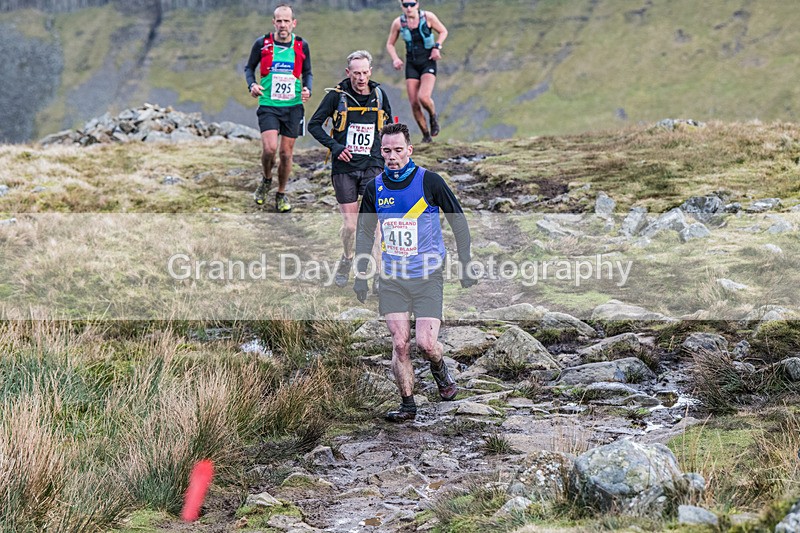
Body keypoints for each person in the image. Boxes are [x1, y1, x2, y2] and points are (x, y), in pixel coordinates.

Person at [352, 122, 477, 422]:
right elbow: (364, 233)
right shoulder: (375, 188)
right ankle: (408, 406)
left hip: (427, 276)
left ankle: (440, 369)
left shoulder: (429, 182)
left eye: (398, 150)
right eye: (386, 151)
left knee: (426, 344)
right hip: (392, 278)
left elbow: (458, 221)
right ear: (379, 151)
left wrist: (465, 262)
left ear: (409, 149)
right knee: (399, 343)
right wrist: (360, 275)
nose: (392, 156)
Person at [308, 50, 392, 288]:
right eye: (357, 73)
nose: (361, 77)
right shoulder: (336, 97)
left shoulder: (379, 95)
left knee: (373, 223)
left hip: (373, 166)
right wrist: (335, 147)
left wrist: (393, 157)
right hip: (344, 168)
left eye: (365, 72)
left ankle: (378, 275)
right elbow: (314, 125)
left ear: (370, 71)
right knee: (351, 225)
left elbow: (391, 127)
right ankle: (346, 259)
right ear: (348, 73)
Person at [244, 3, 312, 213]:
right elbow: (249, 68)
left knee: (286, 154)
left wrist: (308, 88)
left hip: (293, 106)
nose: (283, 25)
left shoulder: (301, 45)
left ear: (293, 23)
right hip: (269, 105)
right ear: (274, 22)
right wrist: (252, 85)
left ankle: (281, 193)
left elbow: (308, 71)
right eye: (279, 21)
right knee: (269, 149)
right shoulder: (262, 44)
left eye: (286, 21)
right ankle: (266, 179)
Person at [386, 0, 447, 143]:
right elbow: (390, 44)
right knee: (413, 102)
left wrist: (437, 47)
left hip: (428, 61)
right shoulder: (398, 23)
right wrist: (395, 59)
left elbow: (443, 31)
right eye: (405, 5)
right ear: (401, 6)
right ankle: (426, 135)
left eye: (412, 4)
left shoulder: (428, 17)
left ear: (417, 4)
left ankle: (433, 116)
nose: (409, 8)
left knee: (423, 97)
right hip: (411, 63)